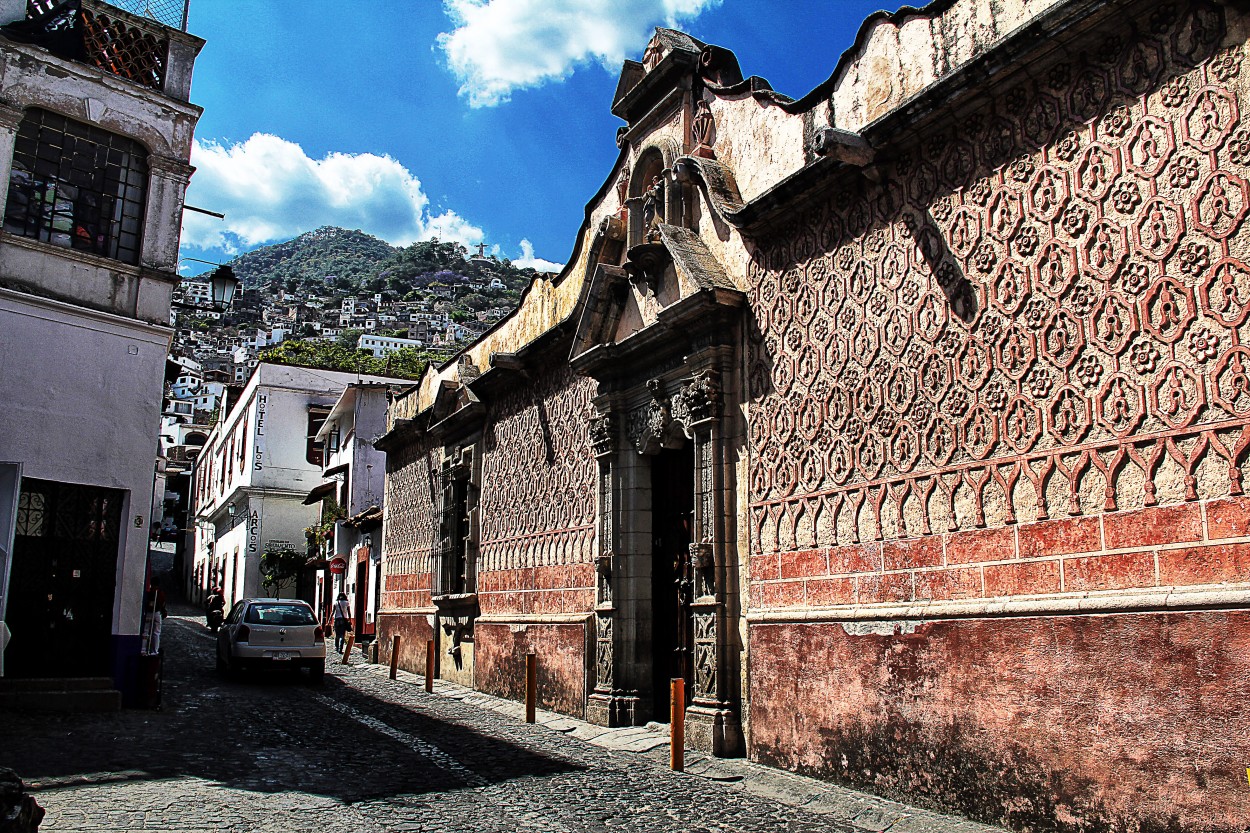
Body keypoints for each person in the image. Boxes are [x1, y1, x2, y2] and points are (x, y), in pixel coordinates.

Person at [143, 577, 168, 654]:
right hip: (157, 613)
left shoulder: (149, 591)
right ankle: (154, 651)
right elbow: (163, 603)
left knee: (146, 631)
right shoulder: (160, 592)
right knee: (156, 633)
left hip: (149, 613)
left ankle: (143, 649)